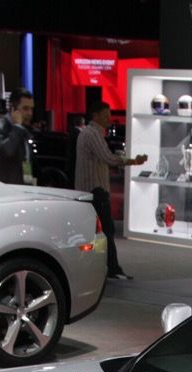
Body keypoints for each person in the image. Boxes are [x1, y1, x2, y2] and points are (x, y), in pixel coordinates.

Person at [74, 102, 146, 280]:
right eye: (106, 114)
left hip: (90, 190)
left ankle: (102, 268)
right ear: (96, 115)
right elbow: (107, 157)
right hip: (95, 191)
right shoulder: (93, 134)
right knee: (106, 231)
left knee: (98, 233)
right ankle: (111, 269)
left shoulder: (88, 133)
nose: (109, 118)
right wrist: (132, 161)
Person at [0, 89, 35, 185]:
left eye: (31, 109)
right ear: (12, 108)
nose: (30, 113)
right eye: (26, 108)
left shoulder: (23, 131)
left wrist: (30, 184)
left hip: (21, 190)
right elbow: (7, 151)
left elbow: (26, 161)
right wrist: (17, 127)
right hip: (1, 191)